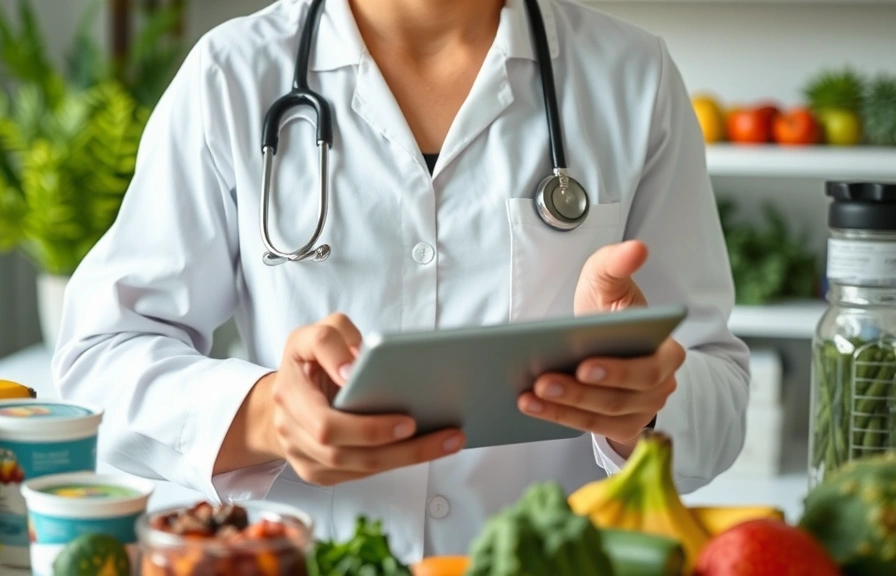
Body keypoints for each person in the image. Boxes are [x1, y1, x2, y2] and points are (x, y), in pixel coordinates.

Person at [53, 0, 750, 562]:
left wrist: (649, 408)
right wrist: (268, 416)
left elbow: (718, 395)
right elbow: (97, 364)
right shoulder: (231, 76)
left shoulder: (634, 78)